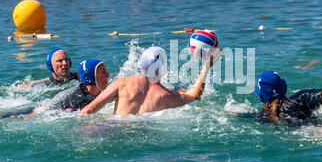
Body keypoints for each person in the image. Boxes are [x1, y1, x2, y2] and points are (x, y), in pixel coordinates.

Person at [80, 46, 224, 117]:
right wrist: (207, 66)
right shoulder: (168, 96)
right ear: (163, 68)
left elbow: (88, 110)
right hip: (140, 134)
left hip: (113, 129)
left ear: (140, 64)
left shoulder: (122, 83)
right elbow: (195, 95)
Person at [33, 59, 109, 114]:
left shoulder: (108, 90)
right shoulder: (66, 97)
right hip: (39, 105)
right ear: (89, 77)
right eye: (103, 72)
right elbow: (38, 113)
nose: (108, 75)